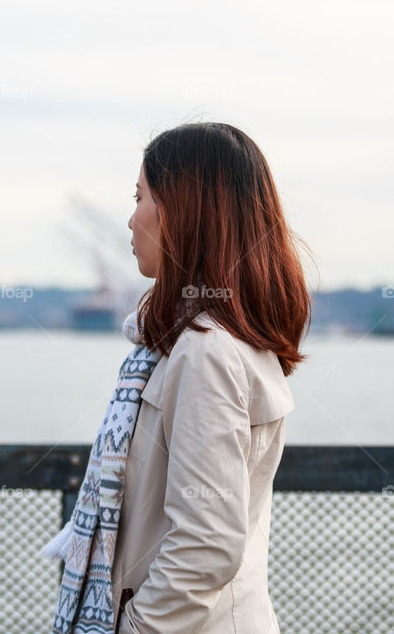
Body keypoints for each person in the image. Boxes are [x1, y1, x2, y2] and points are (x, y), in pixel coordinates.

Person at [114, 121, 312, 633]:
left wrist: (136, 627)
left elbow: (205, 544)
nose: (130, 219)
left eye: (141, 197)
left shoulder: (205, 351)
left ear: (182, 212)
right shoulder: (223, 337)